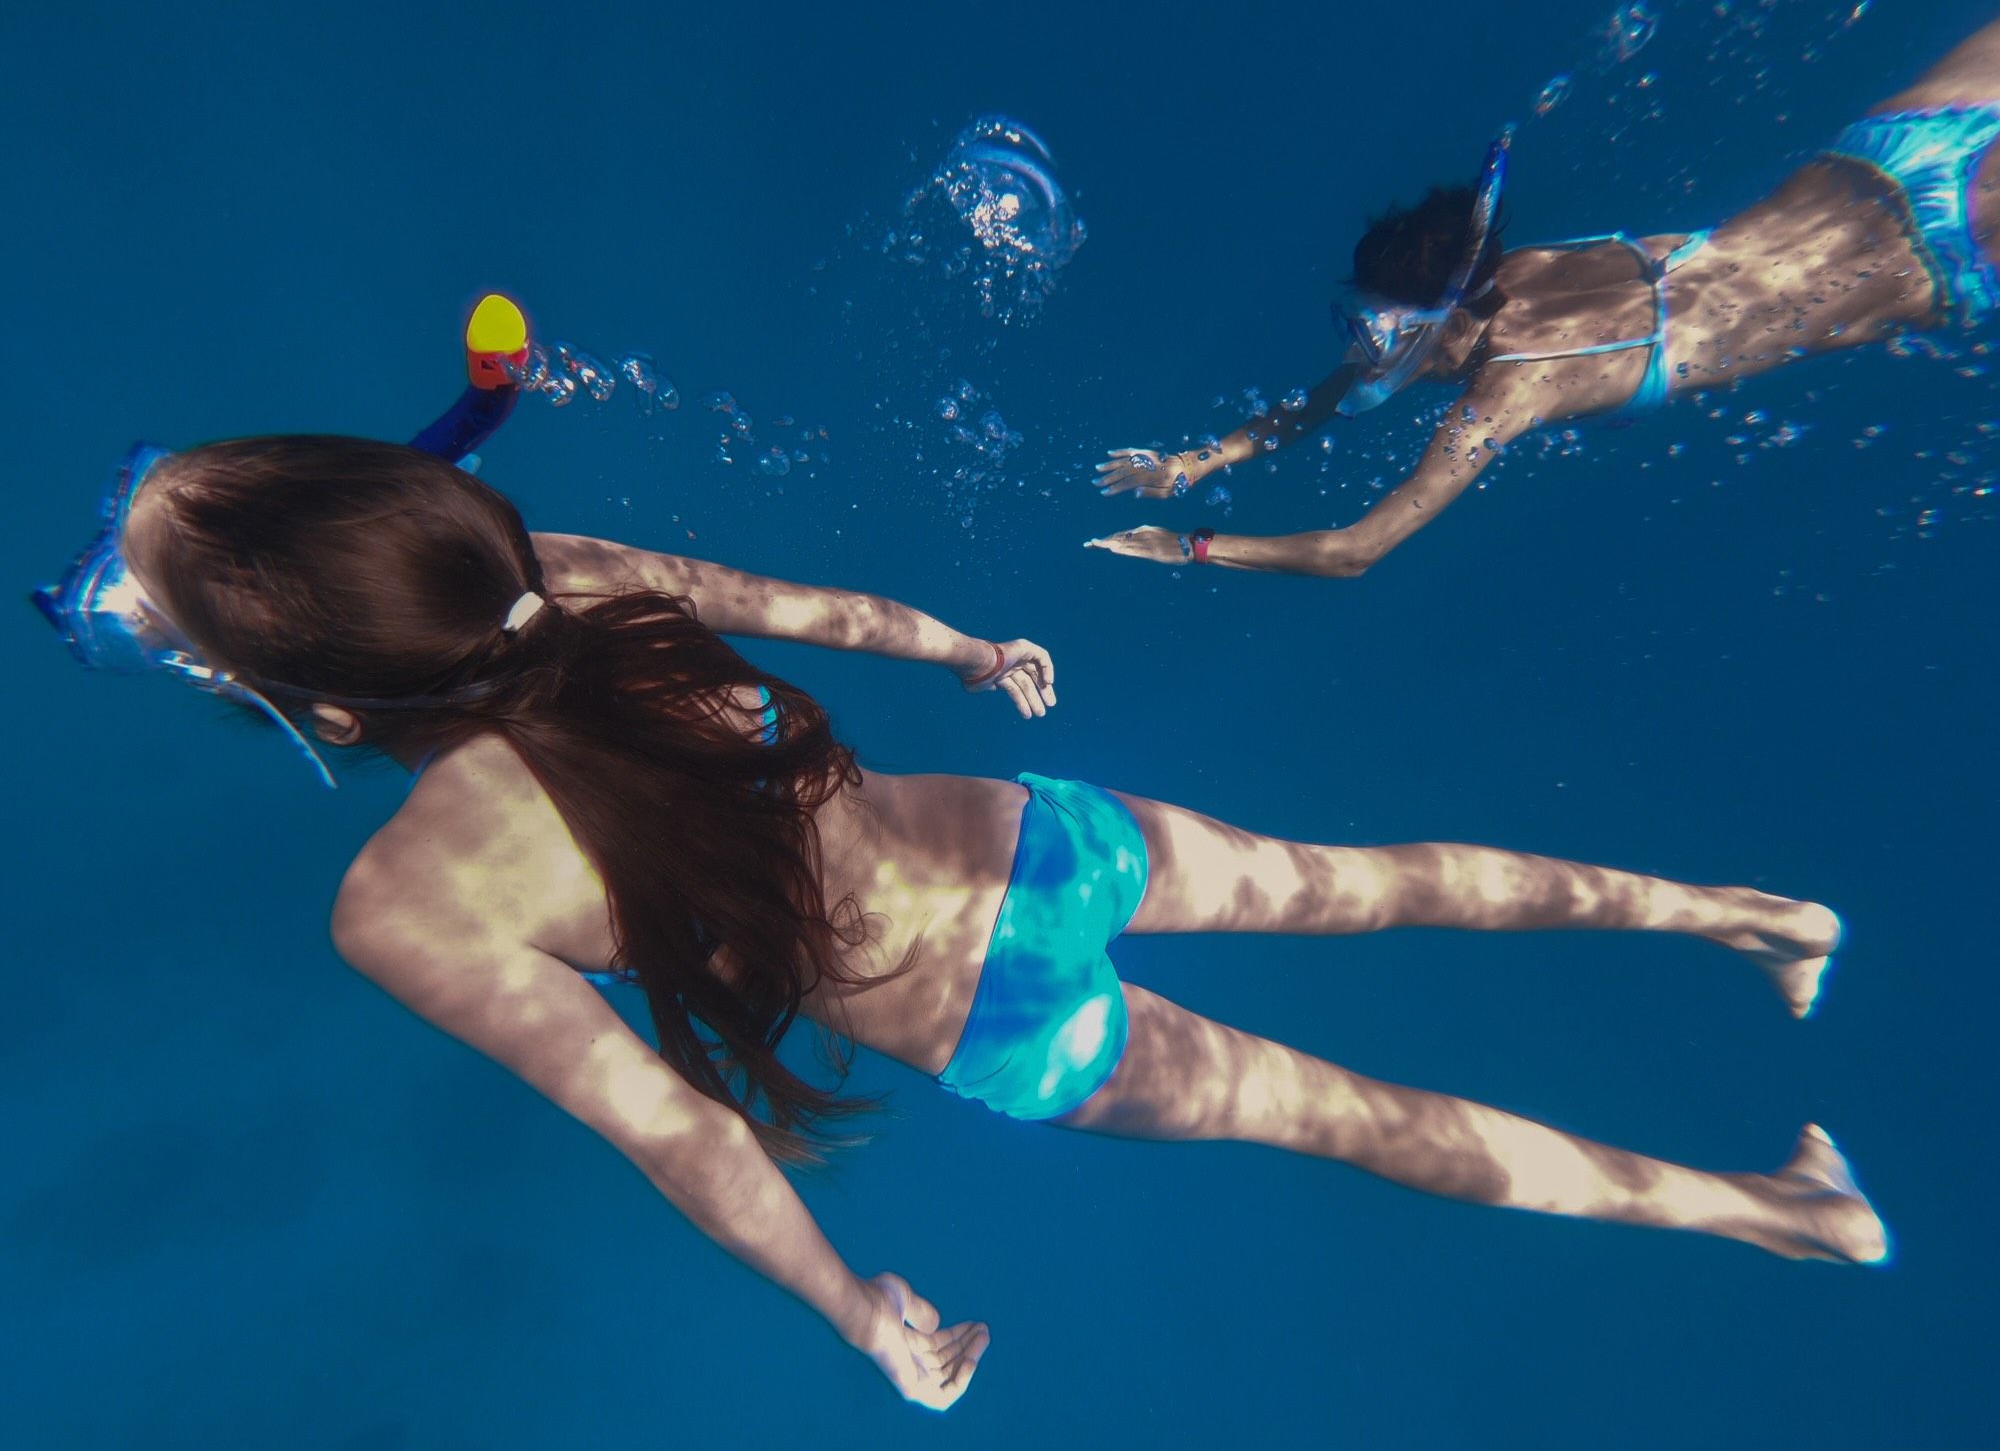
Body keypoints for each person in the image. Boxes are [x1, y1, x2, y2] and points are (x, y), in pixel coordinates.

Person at [34, 434, 1887, 1413]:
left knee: (1357, 1122)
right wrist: (960, 643)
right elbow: (796, 603)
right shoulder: (555, 580)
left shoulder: (407, 900)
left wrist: (861, 1316)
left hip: (1008, 1031)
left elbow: (670, 1121)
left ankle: (1790, 1220)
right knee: (1391, 876)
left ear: (330, 716)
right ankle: (1751, 917)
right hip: (1037, 841)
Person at [1088, 17, 2000, 577]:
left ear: (1452, 313)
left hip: (1937, 254)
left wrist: (1195, 545)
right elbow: (1321, 403)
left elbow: (1354, 550)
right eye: (1357, 320)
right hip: (1890, 146)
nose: (1360, 345)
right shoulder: (1505, 273)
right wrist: (1198, 460)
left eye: (1374, 325)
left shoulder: (1507, 395)